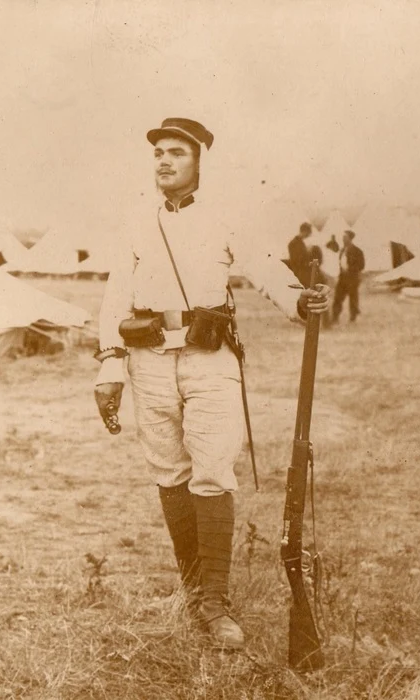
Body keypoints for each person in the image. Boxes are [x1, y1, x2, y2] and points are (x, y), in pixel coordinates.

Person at [93, 118, 330, 651]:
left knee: (212, 469)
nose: (164, 161)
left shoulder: (226, 220)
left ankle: (216, 604)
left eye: (177, 152)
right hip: (148, 357)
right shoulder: (137, 221)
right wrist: (110, 366)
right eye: (158, 153)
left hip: (209, 359)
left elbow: (269, 269)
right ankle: (193, 587)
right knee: (169, 471)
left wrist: (299, 299)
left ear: (199, 161)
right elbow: (115, 297)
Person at [332, 229, 365, 322]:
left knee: (353, 298)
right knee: (338, 297)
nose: (343, 239)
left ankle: (353, 317)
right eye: (343, 237)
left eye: (345, 237)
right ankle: (335, 317)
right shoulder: (342, 250)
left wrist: (351, 270)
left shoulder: (357, 251)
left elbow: (361, 265)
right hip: (342, 278)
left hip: (352, 278)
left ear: (350, 238)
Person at [286, 222, 314, 286]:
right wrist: (307, 253)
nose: (308, 236)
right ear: (304, 232)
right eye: (308, 234)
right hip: (298, 273)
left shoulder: (300, 243)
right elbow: (297, 260)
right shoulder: (294, 243)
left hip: (300, 272)